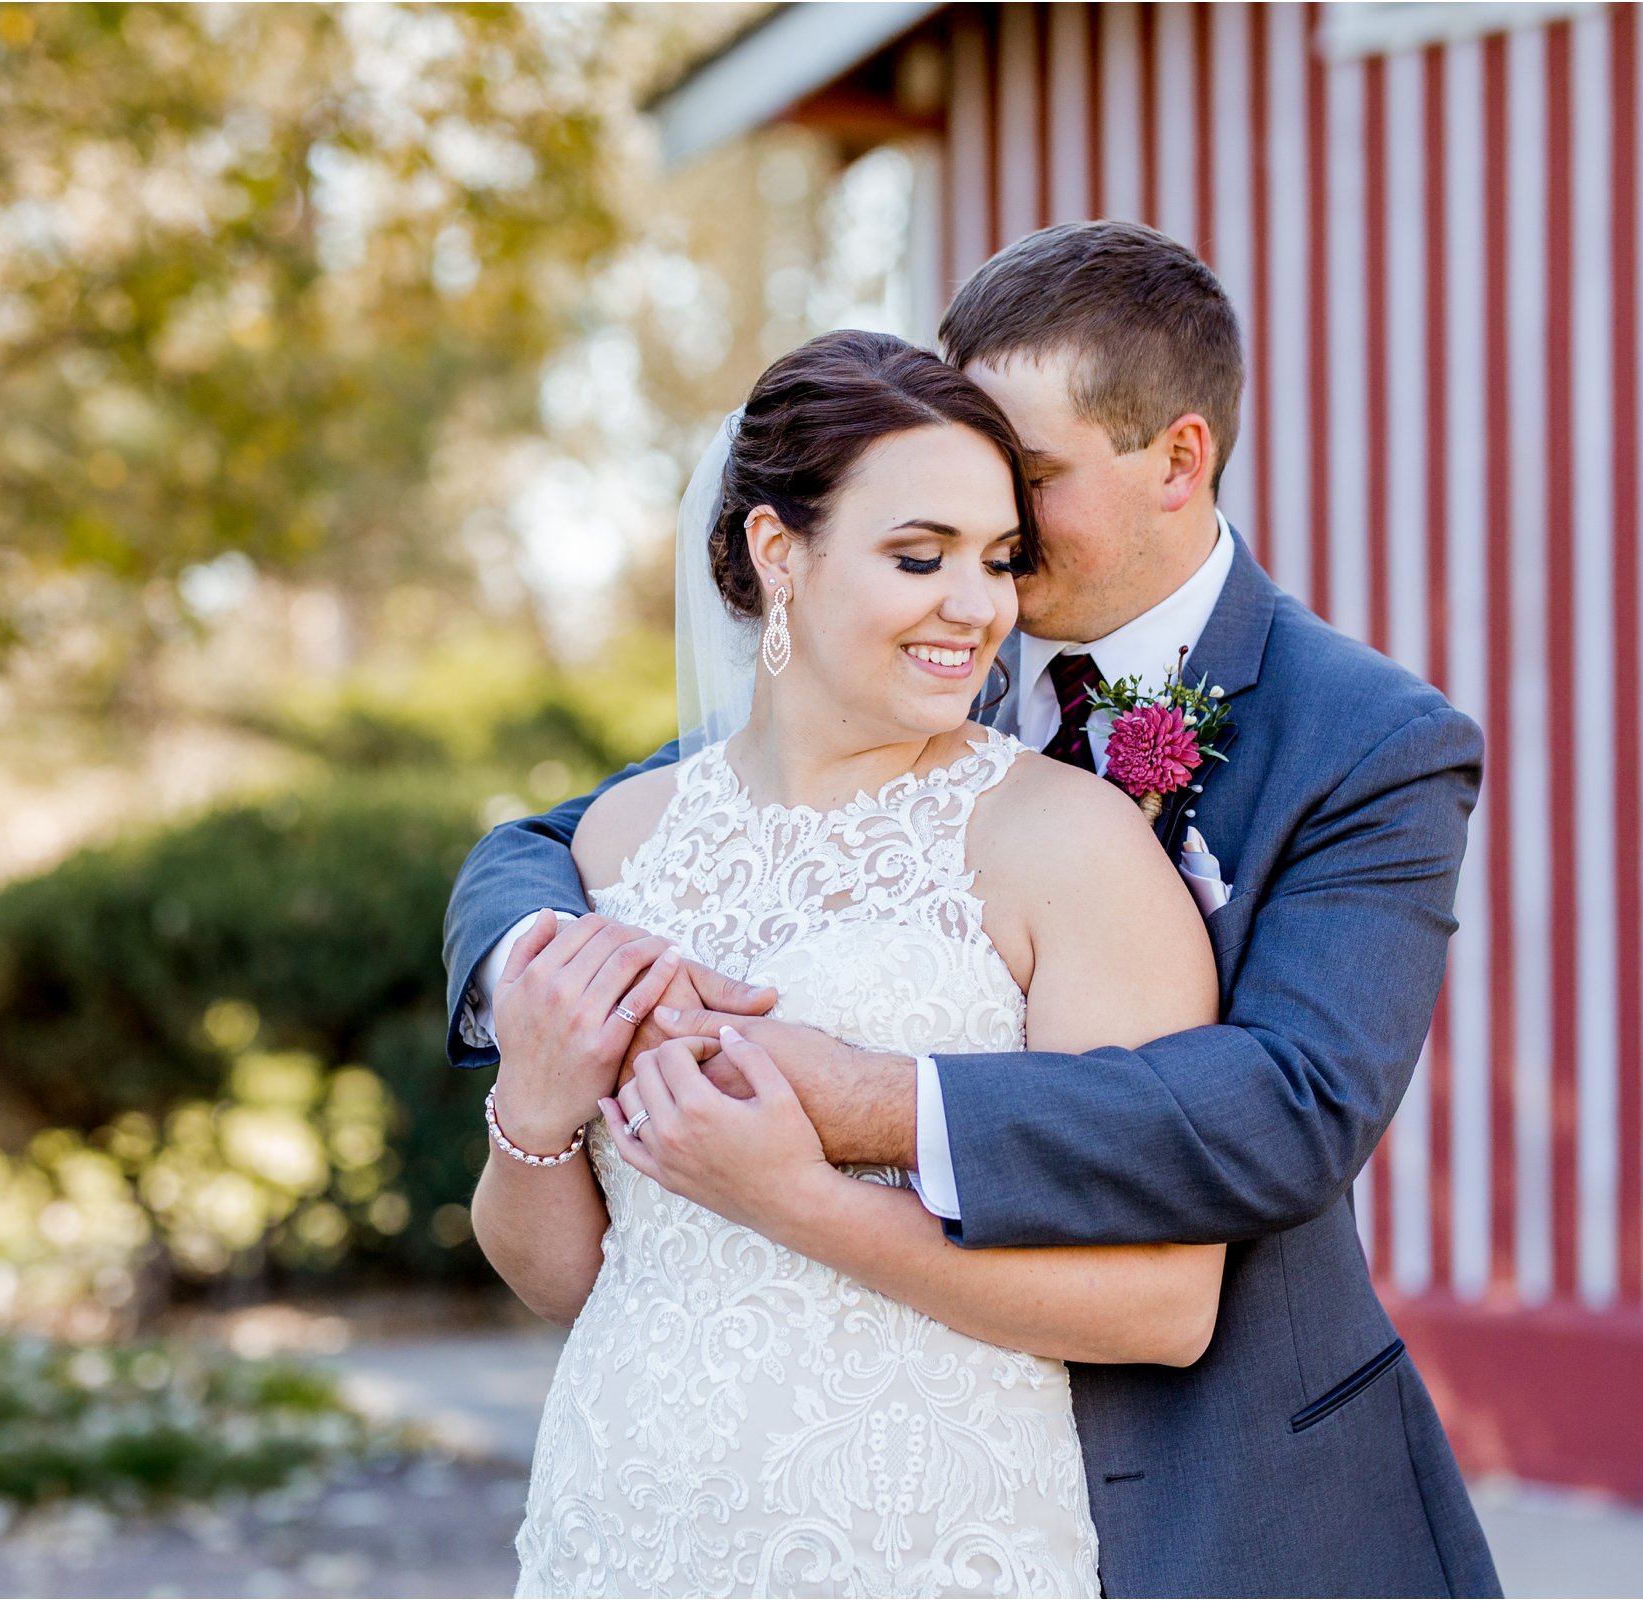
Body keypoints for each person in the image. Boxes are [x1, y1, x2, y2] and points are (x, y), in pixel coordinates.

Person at [448, 221, 1503, 1598]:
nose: (977, 585)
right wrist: (547, 991)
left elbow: (1288, 1110)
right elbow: (547, 846)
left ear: (1175, 460)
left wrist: (853, 1108)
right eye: (931, 528)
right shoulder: (877, 679)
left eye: (1019, 499)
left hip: (1209, 1476)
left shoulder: (1363, 740)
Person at [471, 328, 1221, 1596]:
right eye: (918, 556)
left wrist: (800, 1197)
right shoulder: (617, 840)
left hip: (918, 1531)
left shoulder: (1062, 839)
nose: (977, 605)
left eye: (996, 560)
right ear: (779, 554)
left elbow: (1160, 1303)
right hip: (628, 1515)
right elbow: (571, 1279)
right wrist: (533, 1106)